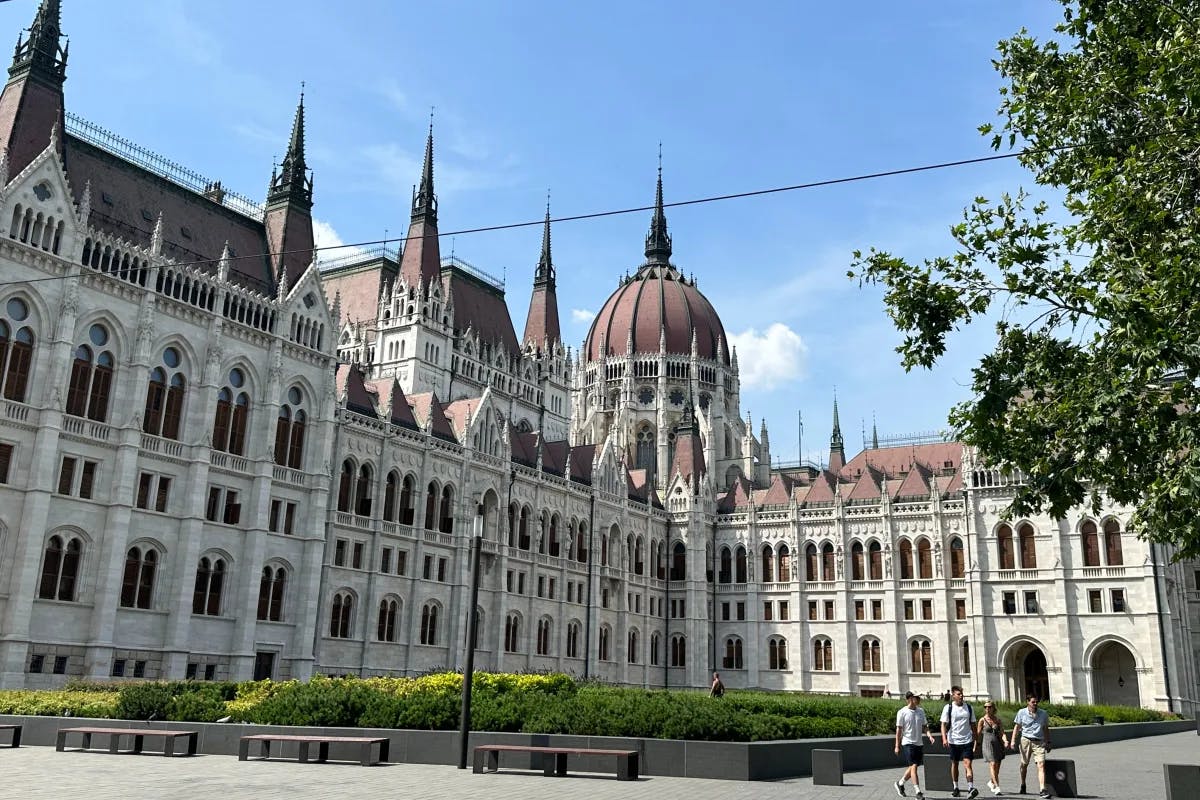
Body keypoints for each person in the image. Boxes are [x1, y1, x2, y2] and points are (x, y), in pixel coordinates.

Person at [894, 690, 937, 799]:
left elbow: (925, 726)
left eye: (919, 697)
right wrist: (897, 746)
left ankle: (900, 783)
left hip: (919, 743)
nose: (919, 700)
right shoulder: (902, 712)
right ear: (910, 699)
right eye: (917, 697)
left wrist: (930, 736)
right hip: (908, 743)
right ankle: (918, 791)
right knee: (914, 767)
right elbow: (899, 730)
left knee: (913, 766)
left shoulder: (921, 711)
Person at [1009, 694, 1052, 798]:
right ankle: (1023, 784)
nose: (1035, 704)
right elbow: (1017, 727)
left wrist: (1048, 742)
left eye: (1036, 702)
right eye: (1033, 702)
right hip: (1026, 741)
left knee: (1041, 764)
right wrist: (1013, 741)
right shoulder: (1021, 712)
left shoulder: (1043, 713)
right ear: (1028, 702)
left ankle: (1043, 789)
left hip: (1039, 742)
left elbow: (1045, 728)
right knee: (1024, 764)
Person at [940, 685, 978, 798]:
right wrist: (944, 738)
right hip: (953, 741)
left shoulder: (969, 708)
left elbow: (973, 725)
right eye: (958, 694)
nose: (961, 695)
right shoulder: (948, 708)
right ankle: (956, 787)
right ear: (953, 696)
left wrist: (976, 739)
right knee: (955, 764)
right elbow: (943, 724)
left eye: (962, 693)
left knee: (968, 764)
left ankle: (970, 787)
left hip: (967, 740)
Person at [977, 700, 1009, 795]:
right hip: (987, 744)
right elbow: (978, 734)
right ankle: (997, 786)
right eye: (985, 707)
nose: (987, 709)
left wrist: (1006, 740)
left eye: (989, 707)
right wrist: (975, 745)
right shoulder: (982, 720)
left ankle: (991, 782)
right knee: (993, 763)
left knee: (997, 766)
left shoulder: (997, 720)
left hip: (998, 744)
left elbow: (1002, 732)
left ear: (993, 708)